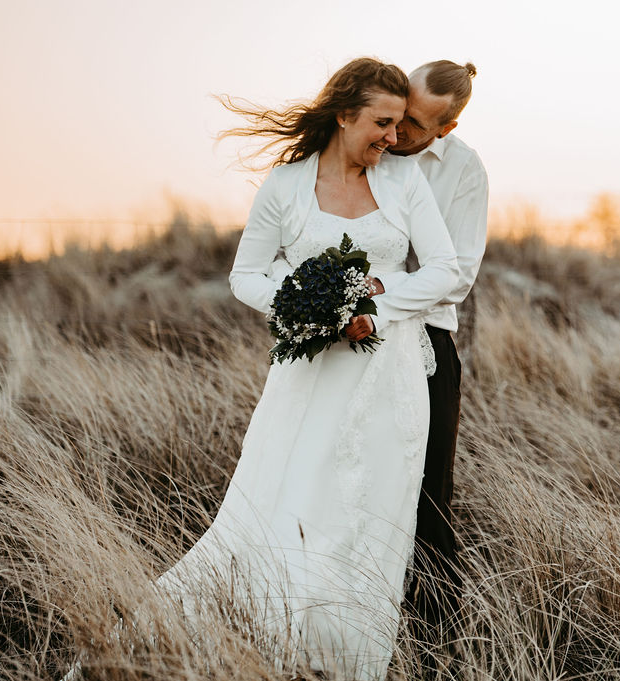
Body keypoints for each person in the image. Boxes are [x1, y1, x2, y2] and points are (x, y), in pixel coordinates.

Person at [64, 57, 459, 681]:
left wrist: (374, 306)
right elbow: (245, 275)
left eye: (399, 123)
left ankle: (347, 661)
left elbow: (446, 270)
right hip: (306, 377)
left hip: (389, 380)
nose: (393, 135)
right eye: (382, 122)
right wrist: (309, 305)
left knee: (370, 518)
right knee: (287, 501)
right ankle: (255, 644)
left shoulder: (407, 182)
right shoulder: (285, 186)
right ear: (343, 113)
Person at [379, 60, 488, 656]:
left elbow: (458, 276)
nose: (397, 133)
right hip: (345, 341)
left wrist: (375, 298)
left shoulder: (464, 170)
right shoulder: (367, 139)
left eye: (416, 125)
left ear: (444, 129)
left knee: (428, 496)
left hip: (427, 344)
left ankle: (436, 645)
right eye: (397, 113)